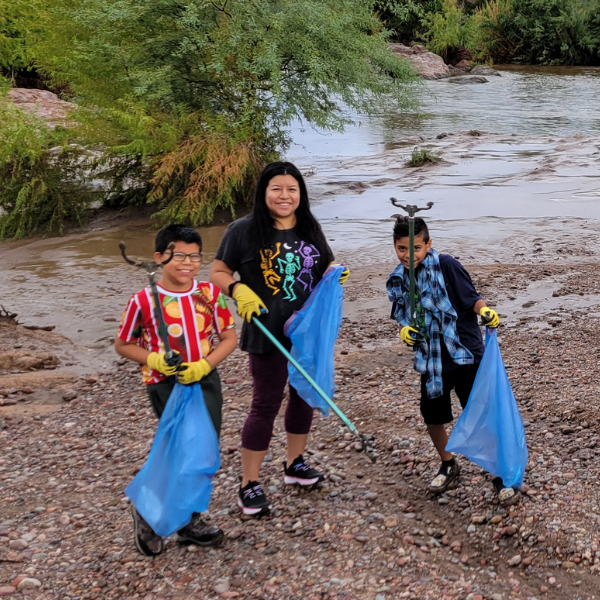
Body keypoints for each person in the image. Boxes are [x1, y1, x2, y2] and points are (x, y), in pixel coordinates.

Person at [209, 161, 349, 516]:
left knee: (303, 397)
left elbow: (324, 266)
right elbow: (217, 271)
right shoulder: (242, 231)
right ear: (263, 192)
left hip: (306, 332)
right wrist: (237, 289)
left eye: (292, 190)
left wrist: (334, 275)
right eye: (277, 189)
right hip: (266, 331)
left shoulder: (310, 228)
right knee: (265, 404)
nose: (284, 196)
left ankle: (295, 464)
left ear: (300, 194)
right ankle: (249, 484)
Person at [115, 225, 237, 555]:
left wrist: (205, 364)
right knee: (181, 450)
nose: (187, 263)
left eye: (194, 256)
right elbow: (123, 344)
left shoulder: (209, 295)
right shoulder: (143, 300)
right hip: (165, 384)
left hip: (205, 380)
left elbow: (229, 338)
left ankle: (188, 522)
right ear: (159, 258)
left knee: (204, 449)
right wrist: (154, 359)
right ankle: (148, 514)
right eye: (178, 255)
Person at [387, 216, 519, 506]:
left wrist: (486, 311)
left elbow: (472, 298)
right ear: (394, 246)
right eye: (401, 249)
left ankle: (498, 473)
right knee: (433, 416)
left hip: (465, 354)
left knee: (480, 415)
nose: (409, 255)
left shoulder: (446, 265)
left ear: (428, 243)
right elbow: (402, 315)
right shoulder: (399, 277)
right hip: (431, 359)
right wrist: (404, 331)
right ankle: (448, 464)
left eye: (416, 248)